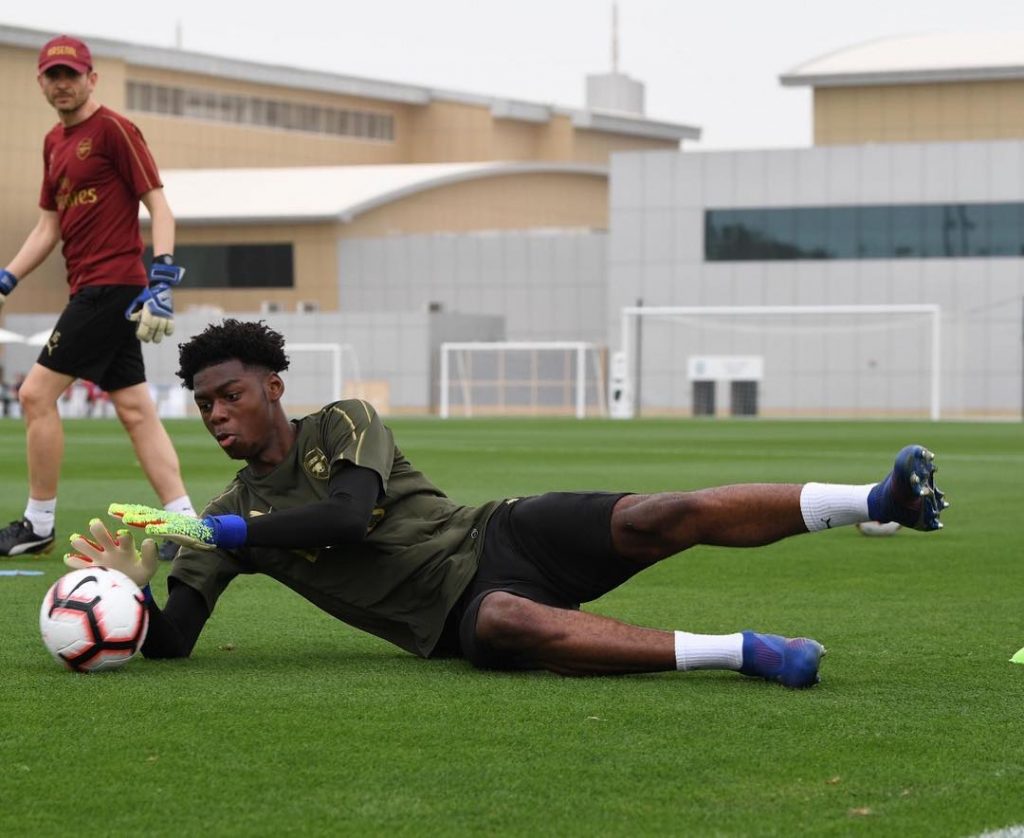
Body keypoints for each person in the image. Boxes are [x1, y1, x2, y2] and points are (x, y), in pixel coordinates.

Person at [66, 320, 948, 688]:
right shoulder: (228, 517)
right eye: (206, 404)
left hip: (498, 531)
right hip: (457, 615)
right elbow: (177, 643)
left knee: (656, 514)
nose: (218, 415)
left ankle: (877, 498)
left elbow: (345, 518)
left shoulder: (342, 422)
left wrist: (208, 528)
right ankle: (749, 654)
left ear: (272, 386)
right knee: (514, 625)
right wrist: (133, 595)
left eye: (231, 395)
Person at [0, 35, 195, 557]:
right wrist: (6, 278)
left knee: (34, 395)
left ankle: (37, 523)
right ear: (41, 81)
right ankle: (186, 522)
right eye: (53, 75)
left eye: (71, 74)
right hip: (90, 284)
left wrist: (162, 279)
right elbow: (48, 229)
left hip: (113, 286)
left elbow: (161, 206)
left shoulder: (113, 128)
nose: (62, 84)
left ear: (92, 78)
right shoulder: (52, 143)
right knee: (134, 408)